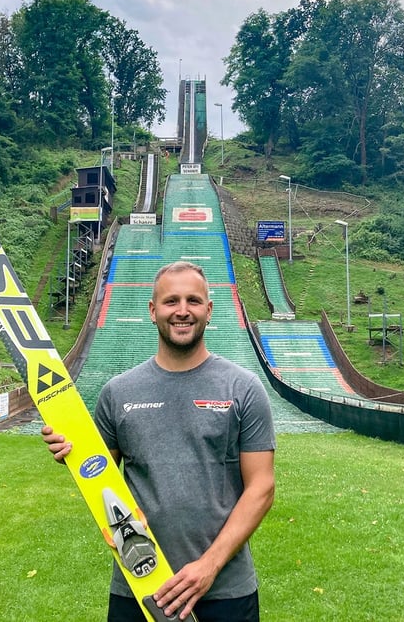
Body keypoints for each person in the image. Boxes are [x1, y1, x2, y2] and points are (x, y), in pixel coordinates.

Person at [43, 260, 276, 621]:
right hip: (139, 586)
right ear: (153, 311)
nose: (182, 311)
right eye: (171, 302)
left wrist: (208, 567)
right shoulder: (117, 393)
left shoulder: (243, 388)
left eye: (193, 301)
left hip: (225, 590)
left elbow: (261, 487)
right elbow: (98, 473)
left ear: (209, 310)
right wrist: (70, 451)